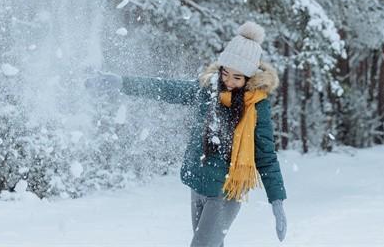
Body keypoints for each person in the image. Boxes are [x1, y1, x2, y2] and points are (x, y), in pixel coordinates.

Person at [85, 22, 287, 246]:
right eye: (225, 73)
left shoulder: (256, 107)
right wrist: (123, 83)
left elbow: (266, 155)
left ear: (249, 78)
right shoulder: (207, 89)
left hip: (226, 192)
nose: (228, 82)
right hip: (199, 184)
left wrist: (276, 200)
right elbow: (166, 89)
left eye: (237, 77)